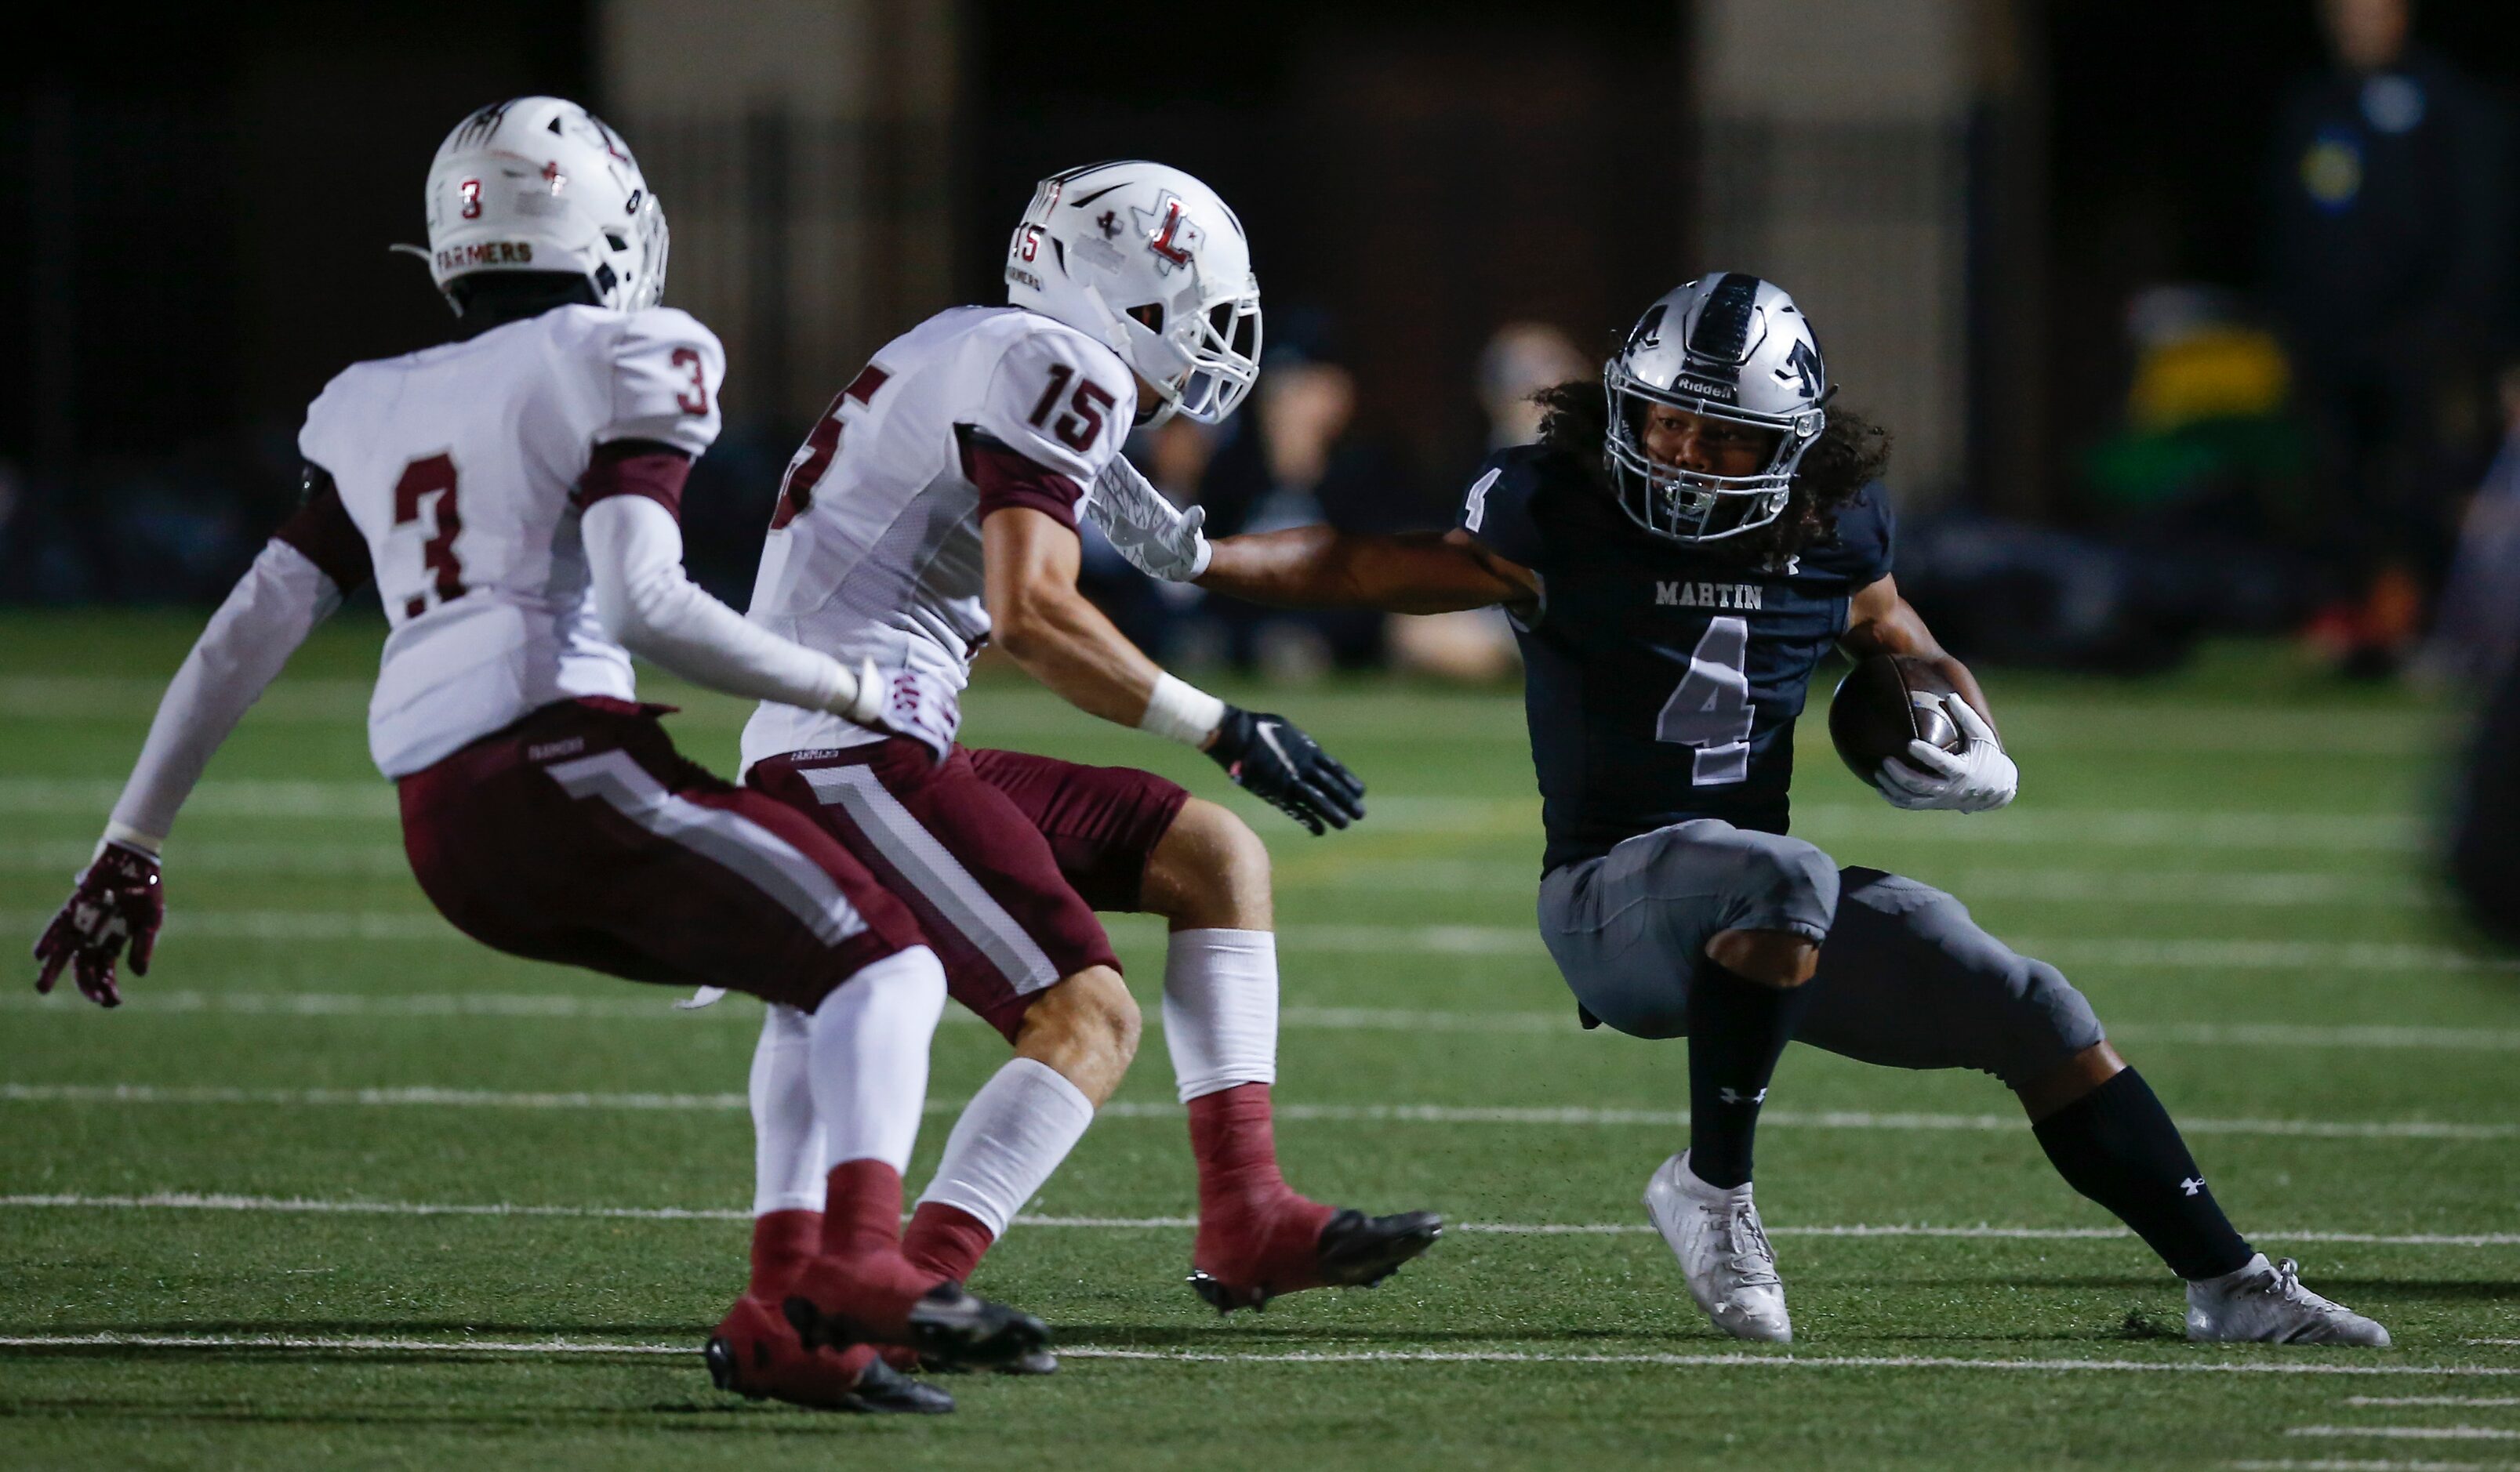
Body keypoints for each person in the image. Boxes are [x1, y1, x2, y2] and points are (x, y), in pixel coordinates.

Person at [1097, 274, 2391, 1347]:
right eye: (1662, 422)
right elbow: (1363, 561)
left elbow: (1894, 632)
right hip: (1607, 897)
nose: (1680, 454)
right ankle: (1711, 1188)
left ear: (1789, 448)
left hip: (1759, 910)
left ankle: (2226, 1281)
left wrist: (1954, 718)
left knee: (2032, 1005)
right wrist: (1200, 556)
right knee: (1776, 873)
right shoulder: (1563, 511)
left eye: (1719, 437)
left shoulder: (1830, 530)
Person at [27, 97, 1048, 1415]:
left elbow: (249, 627)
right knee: (889, 957)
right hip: (561, 761)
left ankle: (781, 1318)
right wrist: (850, 684)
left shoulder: (368, 400)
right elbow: (644, 604)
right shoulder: (633, 352)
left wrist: (132, 839)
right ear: (613, 223)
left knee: (811, 977)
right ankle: (853, 1263)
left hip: (445, 826)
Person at [721, 160, 1440, 1380]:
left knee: (1212, 855)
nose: (1201, 343)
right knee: (1084, 1014)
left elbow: (1121, 529)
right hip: (844, 749)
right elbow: (1036, 614)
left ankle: (1246, 1213)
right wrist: (1222, 724)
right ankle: (905, 1285)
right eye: (1184, 308)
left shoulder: (982, 343)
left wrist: (1197, 550)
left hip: (875, 737)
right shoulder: (1061, 363)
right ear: (1118, 294)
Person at [2268, 0, 2514, 674]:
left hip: (2419, 336)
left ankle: (2432, 622)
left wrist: (2456, 326)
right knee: (2338, 481)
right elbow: (2292, 224)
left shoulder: (2447, 103)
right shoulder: (2314, 106)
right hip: (2332, 338)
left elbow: (2473, 223)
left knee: (2425, 481)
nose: (2356, 21)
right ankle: (2352, 621)